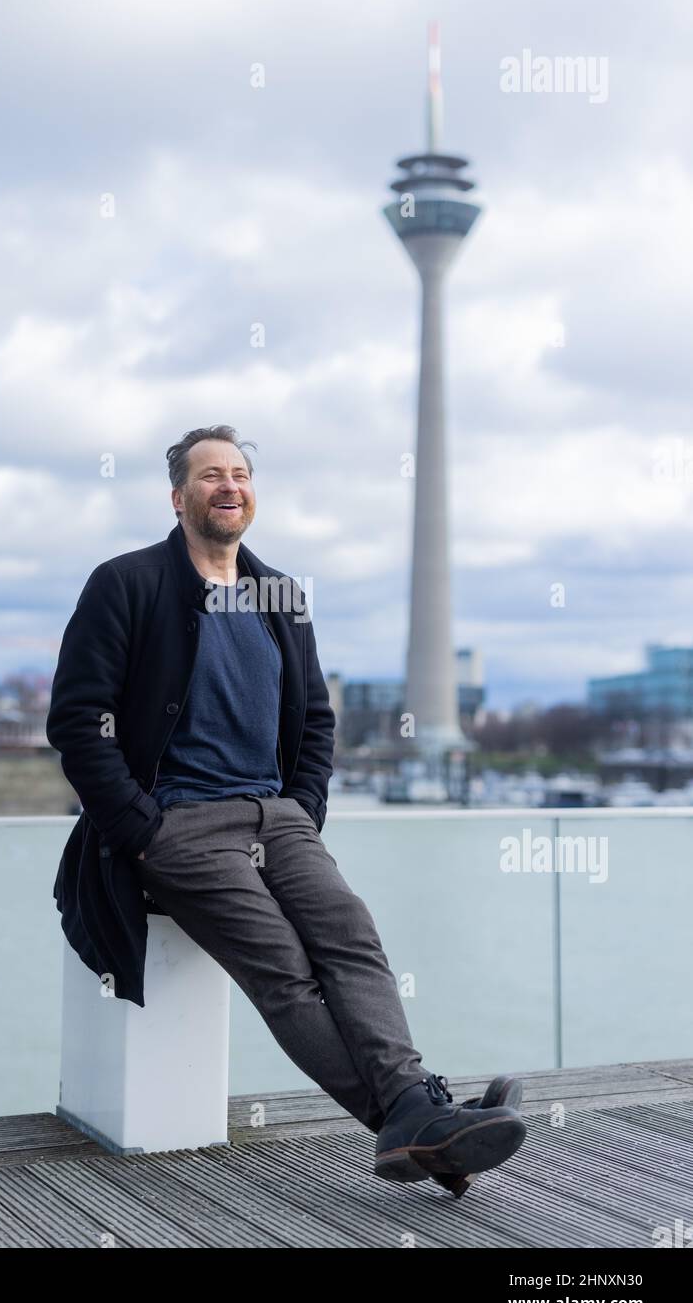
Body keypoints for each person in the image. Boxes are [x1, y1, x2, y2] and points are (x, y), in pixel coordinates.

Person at [46, 425, 527, 1190]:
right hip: (181, 825)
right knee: (284, 971)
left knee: (353, 941)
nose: (227, 486)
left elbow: (313, 720)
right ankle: (419, 1110)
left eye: (238, 473)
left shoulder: (280, 596)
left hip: (278, 819)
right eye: (209, 476)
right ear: (178, 498)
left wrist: (301, 806)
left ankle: (415, 1120)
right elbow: (77, 720)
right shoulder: (127, 583)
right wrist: (140, 828)